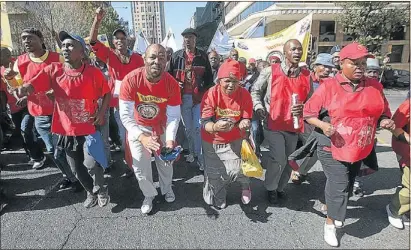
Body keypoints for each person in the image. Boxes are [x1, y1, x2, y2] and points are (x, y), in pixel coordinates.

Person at [303, 42, 393, 247]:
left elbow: (383, 111)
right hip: (331, 145)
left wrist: (384, 120)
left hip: (359, 145)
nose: (361, 66)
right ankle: (331, 223)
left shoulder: (374, 86)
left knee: (349, 183)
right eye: (354, 63)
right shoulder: (329, 86)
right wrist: (322, 125)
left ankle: (335, 207)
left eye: (363, 62)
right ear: (341, 63)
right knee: (340, 184)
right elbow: (308, 113)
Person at [17, 31, 111, 208]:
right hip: (66, 130)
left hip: (90, 128)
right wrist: (23, 89)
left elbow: (106, 92)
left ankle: (101, 189)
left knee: (92, 163)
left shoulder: (93, 73)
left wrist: (101, 113)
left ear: (82, 52)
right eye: (63, 45)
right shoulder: (54, 70)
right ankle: (90, 191)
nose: (65, 48)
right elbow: (33, 84)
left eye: (70, 45)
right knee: (76, 169)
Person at [120, 44, 181, 215]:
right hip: (138, 127)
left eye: (162, 57)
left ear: (167, 61)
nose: (157, 61)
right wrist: (141, 137)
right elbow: (126, 116)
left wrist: (169, 140)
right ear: (144, 59)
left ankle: (166, 188)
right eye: (153, 57)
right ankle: (149, 194)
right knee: (140, 165)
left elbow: (174, 116)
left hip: (161, 127)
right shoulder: (131, 80)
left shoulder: (172, 84)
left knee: (166, 163)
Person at [251, 39, 312, 204]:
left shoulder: (307, 76)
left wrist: (304, 109)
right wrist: (258, 106)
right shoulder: (270, 71)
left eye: (299, 49)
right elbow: (255, 90)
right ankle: (270, 188)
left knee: (290, 160)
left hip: (294, 126)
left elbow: (313, 101)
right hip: (273, 123)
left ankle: (280, 187)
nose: (297, 52)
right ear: (285, 52)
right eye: (293, 49)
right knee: (278, 158)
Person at [89, 7, 144, 154]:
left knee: (136, 131)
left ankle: (138, 160)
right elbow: (93, 41)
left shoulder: (137, 58)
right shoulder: (109, 55)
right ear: (113, 42)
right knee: (124, 133)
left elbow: (144, 78)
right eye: (117, 38)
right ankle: (130, 162)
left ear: (128, 41)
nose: (120, 40)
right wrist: (97, 20)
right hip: (118, 102)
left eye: (123, 38)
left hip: (136, 101)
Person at [201, 59, 253, 209]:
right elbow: (205, 123)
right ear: (219, 80)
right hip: (212, 139)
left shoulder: (244, 94)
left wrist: (245, 122)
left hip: (235, 138)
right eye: (227, 81)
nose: (231, 85)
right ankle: (219, 193)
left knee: (237, 169)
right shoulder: (211, 94)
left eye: (235, 81)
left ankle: (245, 186)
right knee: (215, 174)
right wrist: (216, 126)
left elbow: (246, 116)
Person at [3, 28, 58, 169]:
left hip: (61, 110)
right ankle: (69, 177)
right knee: (52, 149)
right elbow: (17, 89)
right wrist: (9, 78)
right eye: (23, 38)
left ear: (41, 40)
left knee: (68, 147)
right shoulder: (20, 62)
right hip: (38, 113)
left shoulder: (57, 58)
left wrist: (57, 90)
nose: (26, 41)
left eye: (30, 37)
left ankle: (80, 175)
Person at [168, 28, 213, 170]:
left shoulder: (203, 56)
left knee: (198, 128)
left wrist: (205, 95)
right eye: (186, 37)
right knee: (188, 129)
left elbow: (209, 79)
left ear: (195, 39)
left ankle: (200, 158)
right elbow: (168, 78)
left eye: (191, 37)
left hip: (198, 98)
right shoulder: (176, 57)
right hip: (182, 98)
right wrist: (175, 83)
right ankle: (192, 152)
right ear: (183, 40)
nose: (188, 40)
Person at [290, 53, 334, 184]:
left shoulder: (333, 83)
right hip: (303, 119)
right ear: (315, 67)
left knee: (313, 149)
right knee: (305, 148)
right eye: (324, 66)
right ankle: (296, 169)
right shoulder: (305, 78)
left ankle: (300, 171)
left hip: (320, 121)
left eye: (329, 67)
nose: (327, 69)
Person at [386, 96, 410, 229]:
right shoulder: (408, 105)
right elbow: (394, 127)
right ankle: (394, 209)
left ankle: (407, 211)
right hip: (407, 152)